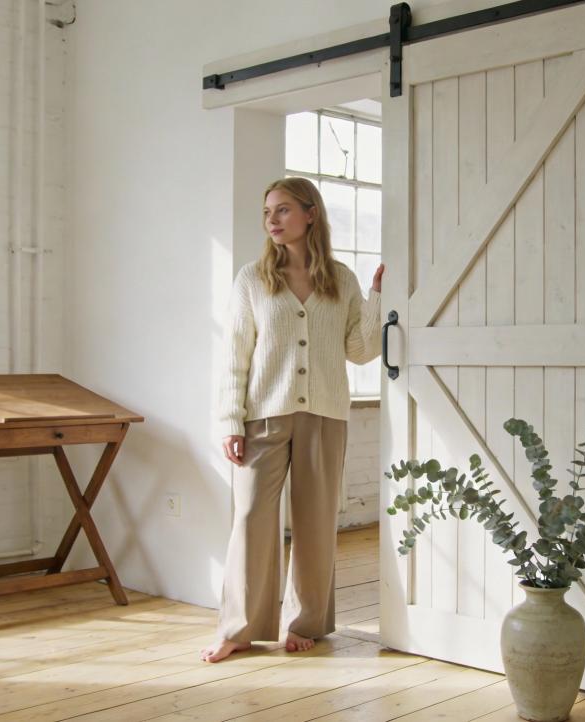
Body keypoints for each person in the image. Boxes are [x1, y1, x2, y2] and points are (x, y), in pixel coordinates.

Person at [201, 177, 384, 663]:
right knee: (250, 518)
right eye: (268, 212)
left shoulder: (340, 280)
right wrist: (230, 422)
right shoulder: (252, 280)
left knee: (316, 523)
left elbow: (360, 351)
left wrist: (378, 299)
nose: (273, 221)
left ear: (310, 214)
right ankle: (240, 627)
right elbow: (235, 357)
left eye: (283, 210)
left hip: (324, 415)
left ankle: (304, 624)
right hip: (263, 416)